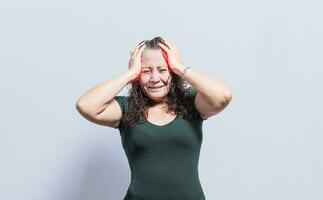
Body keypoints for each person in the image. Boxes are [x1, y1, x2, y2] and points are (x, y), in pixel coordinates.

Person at [76, 37, 233, 200]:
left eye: (162, 69)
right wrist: (130, 74)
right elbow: (86, 105)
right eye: (146, 71)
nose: (154, 78)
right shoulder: (126, 108)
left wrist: (179, 67)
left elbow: (223, 96)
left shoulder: (191, 103)